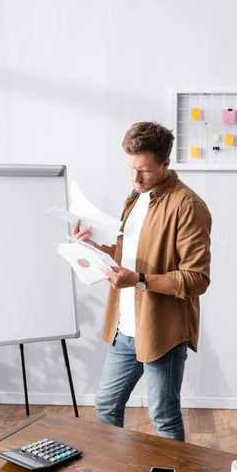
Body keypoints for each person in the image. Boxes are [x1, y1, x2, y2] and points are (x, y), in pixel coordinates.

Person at [73, 122, 211, 441]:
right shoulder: (136, 198)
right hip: (127, 327)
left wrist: (138, 281)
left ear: (165, 163)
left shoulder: (188, 206)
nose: (136, 179)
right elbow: (128, 251)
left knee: (163, 417)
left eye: (145, 171)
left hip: (162, 331)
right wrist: (92, 244)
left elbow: (197, 279)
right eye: (131, 169)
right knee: (107, 404)